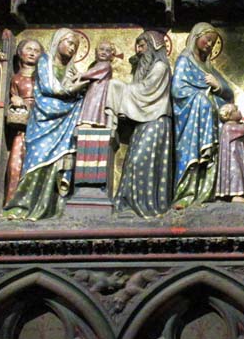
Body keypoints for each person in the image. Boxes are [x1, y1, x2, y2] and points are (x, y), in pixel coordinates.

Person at [2, 28, 91, 220]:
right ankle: (22, 206)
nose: (72, 48)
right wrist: (74, 89)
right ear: (58, 41)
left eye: (75, 46)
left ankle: (52, 208)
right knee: (36, 161)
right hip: (43, 121)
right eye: (69, 42)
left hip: (65, 123)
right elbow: (50, 87)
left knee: (59, 165)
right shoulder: (45, 61)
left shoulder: (72, 70)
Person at [105, 30, 173, 218]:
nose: (139, 50)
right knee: (131, 163)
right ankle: (129, 205)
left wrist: (119, 88)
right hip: (145, 122)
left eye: (142, 46)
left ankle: (145, 206)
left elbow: (145, 92)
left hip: (156, 120)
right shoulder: (147, 69)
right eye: (138, 46)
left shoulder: (160, 67)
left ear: (153, 47)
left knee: (141, 163)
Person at [171, 22, 233, 208]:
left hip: (209, 125)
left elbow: (229, 94)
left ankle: (205, 194)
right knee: (190, 157)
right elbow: (177, 90)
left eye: (213, 42)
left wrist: (218, 86)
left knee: (209, 158)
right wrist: (201, 97)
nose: (209, 44)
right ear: (196, 37)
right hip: (190, 124)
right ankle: (184, 195)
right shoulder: (184, 61)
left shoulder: (209, 68)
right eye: (207, 39)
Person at [74, 41, 115, 192]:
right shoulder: (98, 64)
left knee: (94, 107)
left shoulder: (105, 65)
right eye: (101, 49)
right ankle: (89, 121)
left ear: (112, 56)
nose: (103, 52)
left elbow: (92, 73)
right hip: (94, 90)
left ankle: (93, 121)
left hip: (99, 92)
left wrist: (80, 75)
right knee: (90, 105)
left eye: (107, 51)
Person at [5, 39, 43, 203]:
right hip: (22, 123)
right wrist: (15, 99)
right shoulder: (16, 78)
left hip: (40, 121)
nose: (33, 53)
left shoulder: (43, 77)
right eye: (29, 49)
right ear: (20, 53)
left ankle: (32, 201)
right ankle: (12, 200)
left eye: (36, 50)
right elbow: (13, 95)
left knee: (36, 161)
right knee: (15, 163)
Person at [217, 103, 244, 202]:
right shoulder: (229, 126)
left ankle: (235, 193)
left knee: (238, 170)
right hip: (232, 155)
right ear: (229, 115)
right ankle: (236, 194)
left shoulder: (230, 126)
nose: (239, 112)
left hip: (236, 152)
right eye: (236, 110)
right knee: (236, 171)